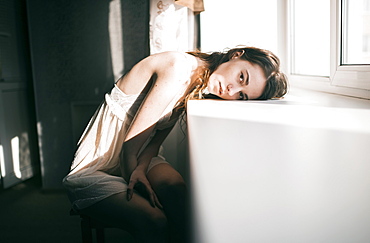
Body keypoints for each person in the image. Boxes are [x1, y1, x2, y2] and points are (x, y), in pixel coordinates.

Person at [63, 46, 288, 243]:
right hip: (99, 163)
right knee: (155, 221)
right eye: (242, 78)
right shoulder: (178, 68)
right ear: (236, 55)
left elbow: (152, 145)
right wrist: (139, 180)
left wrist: (142, 168)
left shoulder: (198, 85)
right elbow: (128, 149)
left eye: (242, 96)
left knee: (176, 192)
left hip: (138, 156)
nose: (232, 91)